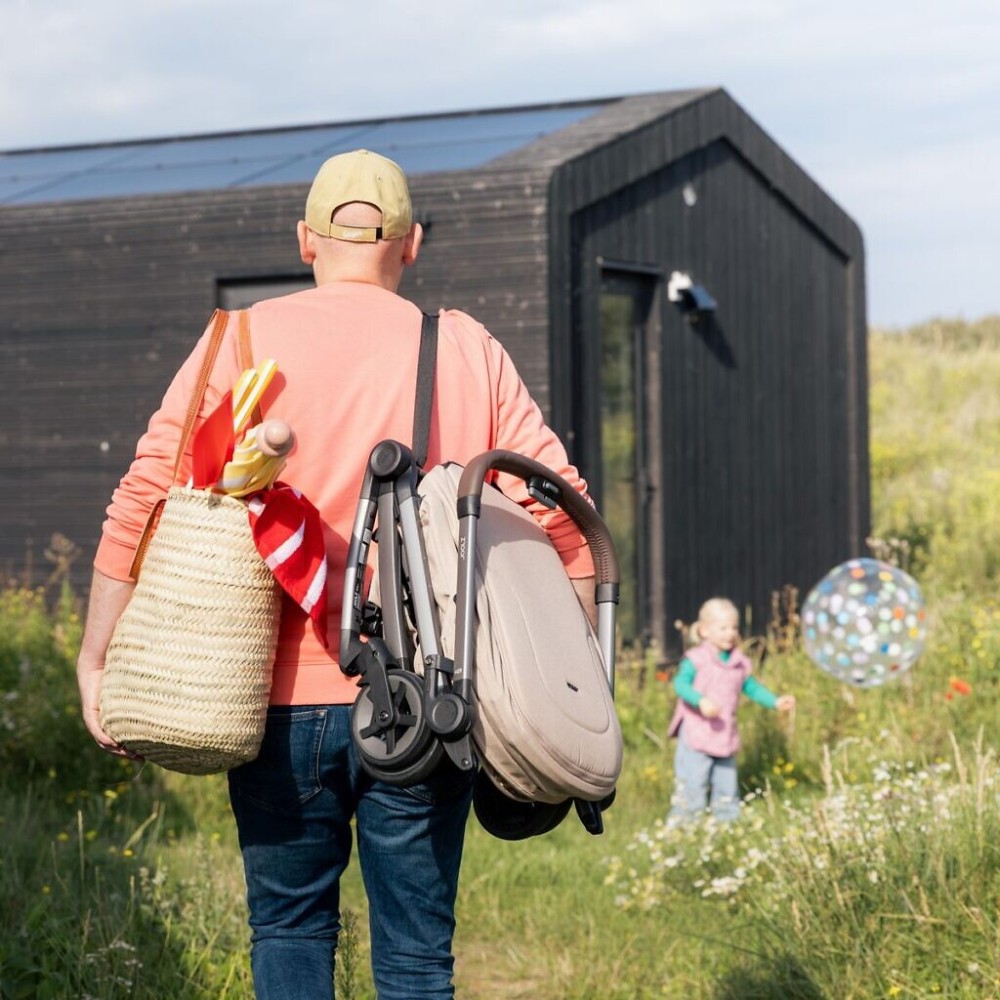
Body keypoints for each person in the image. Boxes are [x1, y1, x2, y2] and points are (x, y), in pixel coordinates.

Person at [76, 148, 597, 1000]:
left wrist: (97, 658)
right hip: (428, 705)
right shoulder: (464, 347)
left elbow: (144, 498)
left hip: (270, 701)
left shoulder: (238, 339)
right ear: (413, 245)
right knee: (417, 959)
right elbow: (562, 510)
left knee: (287, 929)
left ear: (306, 240)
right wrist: (572, 682)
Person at [666, 597, 794, 823]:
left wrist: (775, 701)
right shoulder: (696, 660)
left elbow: (752, 688)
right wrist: (700, 700)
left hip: (724, 734)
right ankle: (683, 829)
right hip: (697, 732)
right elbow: (680, 684)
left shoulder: (739, 662)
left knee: (726, 787)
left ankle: (727, 827)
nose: (730, 633)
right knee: (693, 786)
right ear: (704, 630)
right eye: (723, 628)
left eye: (734, 627)